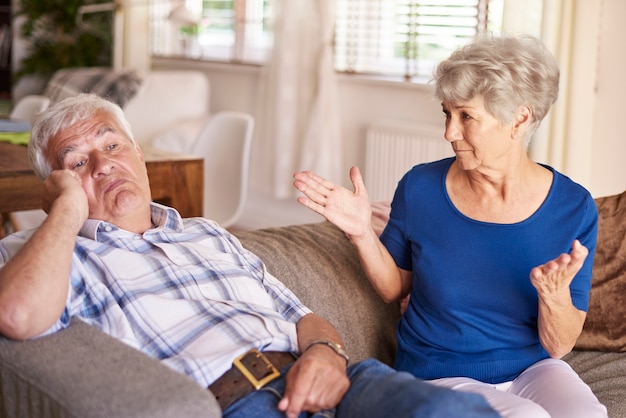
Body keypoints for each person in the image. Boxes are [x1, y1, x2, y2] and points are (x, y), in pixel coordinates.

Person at [0, 93, 500, 418]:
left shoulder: (208, 234)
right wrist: (66, 209)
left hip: (339, 379)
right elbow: (17, 314)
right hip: (238, 405)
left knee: (459, 413)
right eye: (79, 162)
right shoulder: (68, 257)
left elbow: (305, 318)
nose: (105, 164)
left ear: (137, 153)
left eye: (112, 145)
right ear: (57, 184)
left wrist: (328, 353)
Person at [293, 34, 608, 418]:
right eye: (447, 113)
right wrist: (361, 232)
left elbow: (559, 347)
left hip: (535, 369)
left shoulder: (572, 207)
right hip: (440, 371)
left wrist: (553, 295)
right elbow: (395, 287)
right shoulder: (421, 187)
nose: (449, 133)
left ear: (519, 119)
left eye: (466, 116)